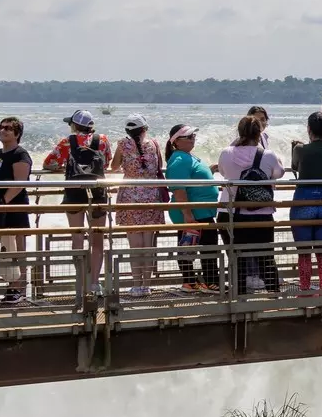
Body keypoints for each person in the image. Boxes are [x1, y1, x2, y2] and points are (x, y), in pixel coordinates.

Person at [43, 110, 111, 299]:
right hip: (98, 193)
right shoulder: (103, 139)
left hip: (73, 193)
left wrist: (62, 166)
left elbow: (49, 162)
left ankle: (80, 282)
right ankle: (95, 283)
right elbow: (107, 162)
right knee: (97, 240)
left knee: (77, 237)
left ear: (74, 125)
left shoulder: (67, 142)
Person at [216, 113, 283, 294]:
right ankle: (274, 295)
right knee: (265, 257)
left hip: (230, 213)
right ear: (259, 133)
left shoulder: (226, 152)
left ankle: (238, 297)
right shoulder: (267, 155)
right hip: (260, 214)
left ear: (239, 132)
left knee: (236, 257)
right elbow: (279, 173)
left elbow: (223, 172)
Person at [110, 116, 168, 297]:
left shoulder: (122, 144)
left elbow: (113, 167)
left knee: (134, 244)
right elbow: (159, 165)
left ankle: (136, 285)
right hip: (151, 195)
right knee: (148, 243)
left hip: (130, 196)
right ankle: (146, 285)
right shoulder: (155, 144)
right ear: (145, 128)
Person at [0, 116, 33, 302]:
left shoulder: (20, 154)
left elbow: (19, 183)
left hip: (13, 205)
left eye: (8, 128)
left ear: (17, 133)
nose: (2, 130)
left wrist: (3, 202)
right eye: (0, 127)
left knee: (17, 248)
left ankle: (16, 289)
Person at [289, 110, 322, 294]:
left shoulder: (300, 149)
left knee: (304, 252)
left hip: (303, 200)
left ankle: (305, 288)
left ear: (309, 128)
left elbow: (295, 166)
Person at [163, 125, 219, 292]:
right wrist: (187, 214)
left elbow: (192, 179)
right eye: (188, 136)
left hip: (200, 211)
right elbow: (179, 189)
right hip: (193, 212)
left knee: (201, 246)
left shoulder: (186, 156)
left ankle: (198, 281)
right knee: (202, 246)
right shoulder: (180, 159)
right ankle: (200, 282)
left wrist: (210, 171)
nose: (192, 138)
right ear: (176, 142)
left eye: (193, 135)